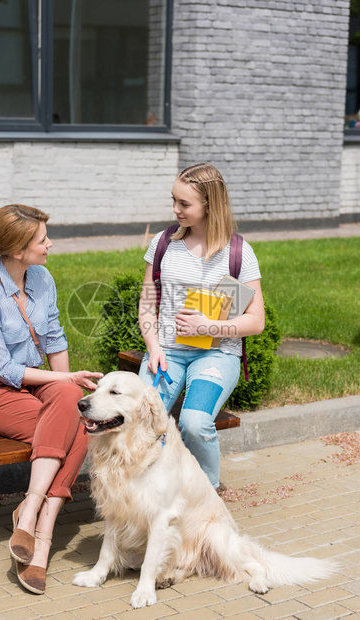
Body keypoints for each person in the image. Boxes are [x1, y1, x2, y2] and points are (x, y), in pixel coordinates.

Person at [0, 204, 103, 595]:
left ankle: (33, 518)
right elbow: (5, 369)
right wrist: (65, 381)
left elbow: (55, 337)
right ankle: (40, 536)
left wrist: (70, 385)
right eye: (42, 240)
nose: (49, 244)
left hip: (37, 385)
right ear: (17, 250)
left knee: (72, 405)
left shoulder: (42, 278)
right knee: (78, 427)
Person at [138, 163, 265, 491]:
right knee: (141, 422)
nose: (175, 209)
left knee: (194, 423)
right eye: (174, 201)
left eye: (184, 204)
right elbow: (147, 304)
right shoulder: (164, 243)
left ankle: (208, 494)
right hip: (166, 352)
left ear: (210, 204)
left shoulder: (238, 253)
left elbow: (255, 321)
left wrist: (210, 327)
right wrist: (153, 348)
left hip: (217, 356)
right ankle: (156, 489)